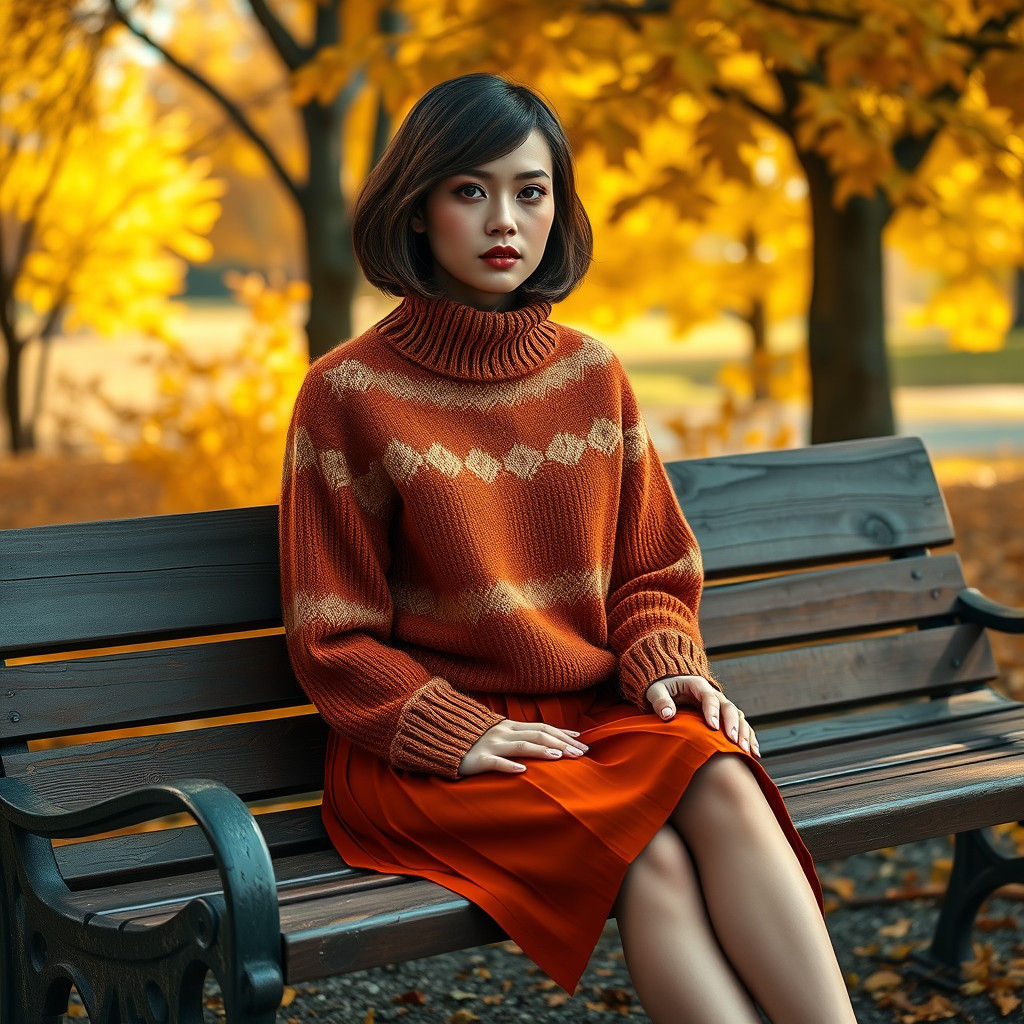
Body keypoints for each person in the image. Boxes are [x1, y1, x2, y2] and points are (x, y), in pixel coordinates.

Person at [277, 71, 858, 1024]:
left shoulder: (594, 375)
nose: (504, 218)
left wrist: (669, 663)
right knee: (652, 860)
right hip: (425, 749)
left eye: (530, 190)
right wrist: (458, 734)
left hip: (587, 717)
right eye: (470, 190)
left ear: (558, 207)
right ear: (417, 209)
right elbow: (332, 637)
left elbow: (653, 572)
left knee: (717, 767)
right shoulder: (348, 394)